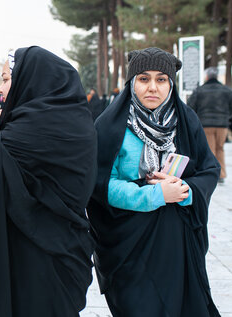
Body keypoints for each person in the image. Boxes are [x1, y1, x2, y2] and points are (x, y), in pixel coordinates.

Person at [88, 47, 220, 316]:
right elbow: (100, 184)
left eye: (161, 79)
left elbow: (209, 170)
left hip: (177, 245)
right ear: (131, 82)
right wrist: (156, 195)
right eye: (143, 78)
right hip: (128, 243)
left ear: (171, 84)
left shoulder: (186, 121)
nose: (152, 87)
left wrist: (184, 190)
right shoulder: (110, 125)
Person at [0, 47, 97, 316]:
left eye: (5, 79)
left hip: (26, 257)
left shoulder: (25, 131)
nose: (0, 89)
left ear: (29, 79)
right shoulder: (80, 124)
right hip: (65, 250)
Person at [188, 67, 232, 183]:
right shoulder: (226, 90)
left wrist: (198, 117)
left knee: (209, 150)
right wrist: (227, 116)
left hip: (205, 124)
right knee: (220, 148)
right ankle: (222, 175)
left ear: (207, 77)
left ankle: (211, 174)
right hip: (222, 124)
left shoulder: (200, 90)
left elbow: (190, 106)